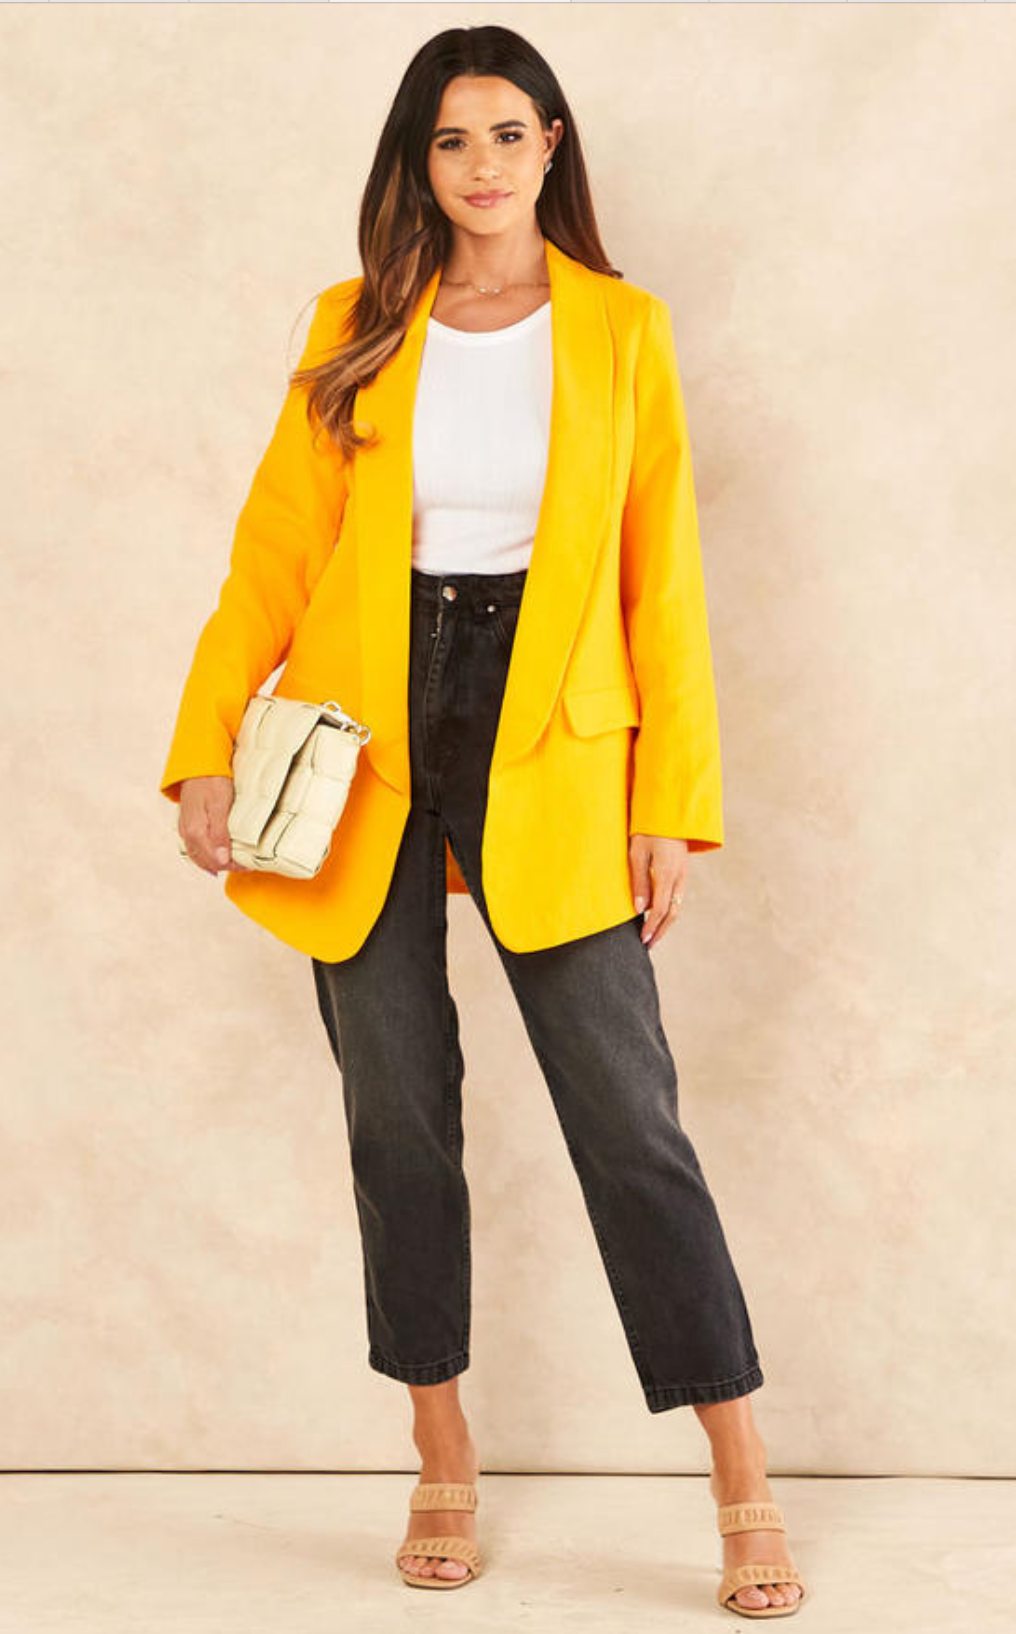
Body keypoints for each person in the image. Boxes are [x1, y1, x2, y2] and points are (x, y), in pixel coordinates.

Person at [162, 24, 807, 1619]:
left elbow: (664, 585)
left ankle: (742, 1469)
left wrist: (673, 803)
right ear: (420, 160)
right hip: (367, 738)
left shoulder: (621, 329)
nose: (481, 166)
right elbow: (274, 551)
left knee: (630, 1123)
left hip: (557, 747)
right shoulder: (358, 323)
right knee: (397, 1112)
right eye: (451, 140)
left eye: (507, 134)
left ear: (552, 146)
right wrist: (203, 743)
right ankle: (439, 1442)